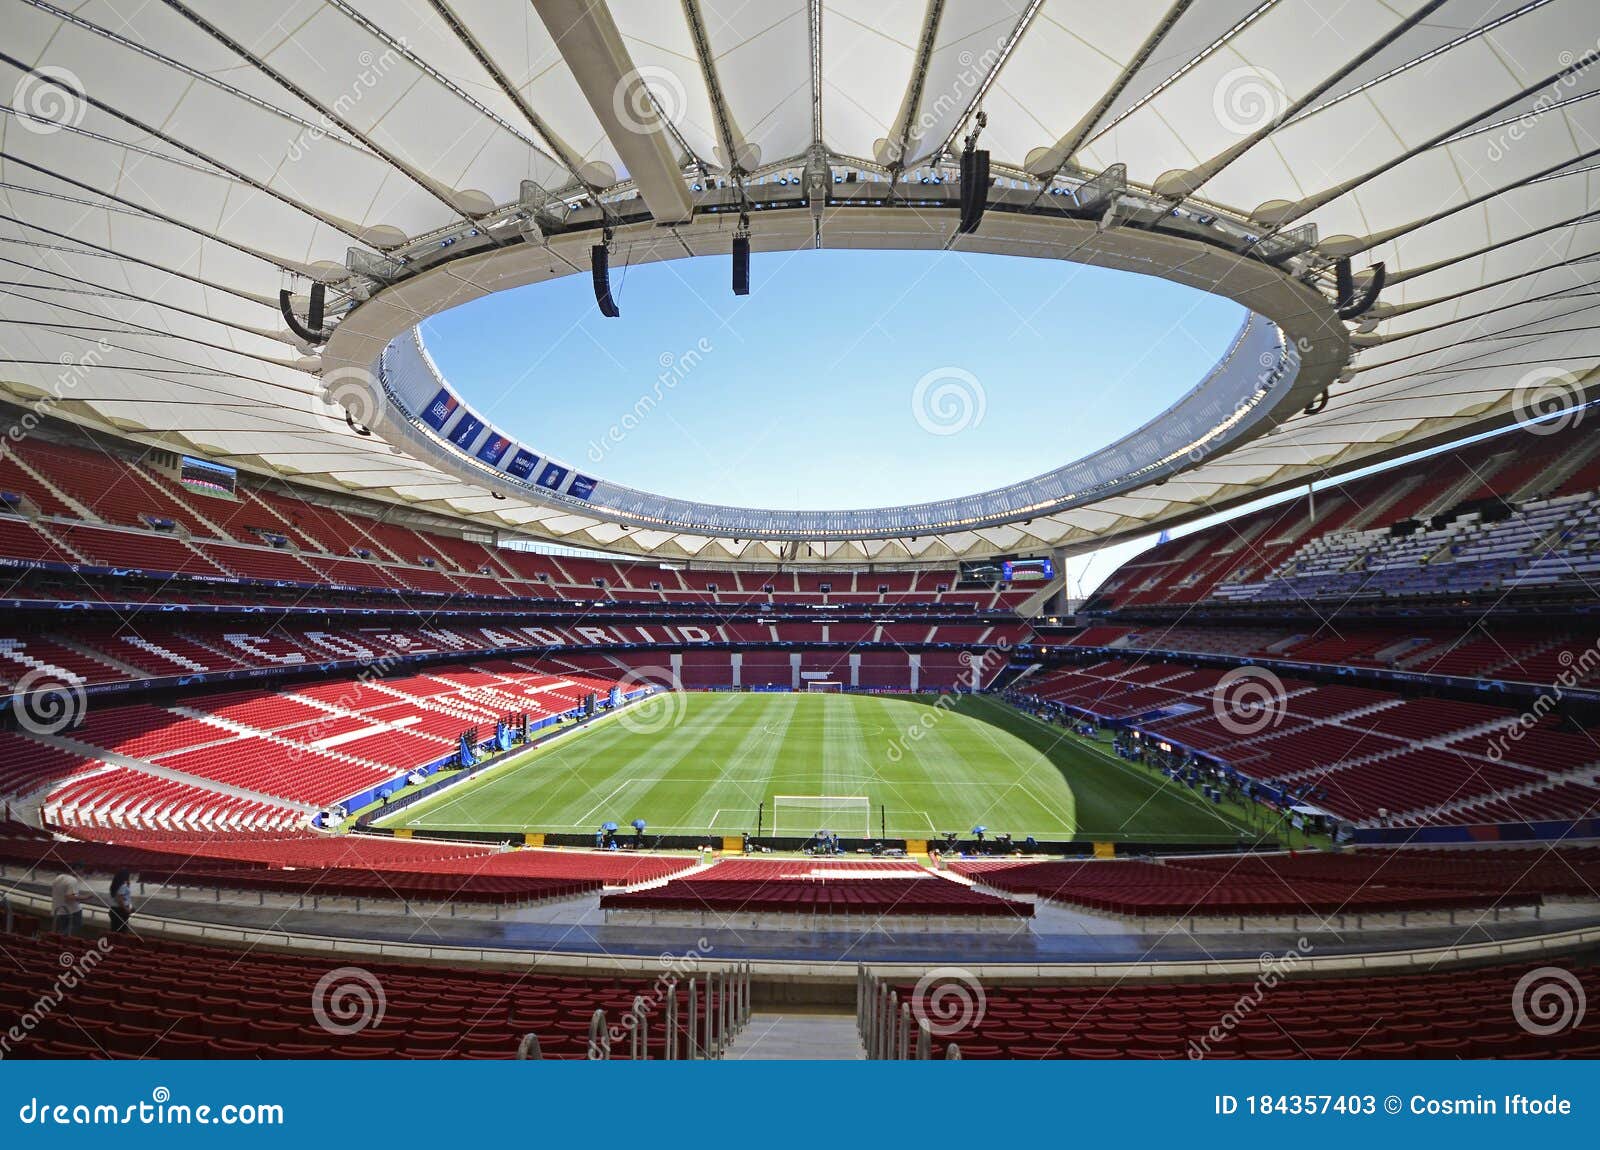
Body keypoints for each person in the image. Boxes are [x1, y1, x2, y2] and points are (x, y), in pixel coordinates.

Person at [50, 870, 89, 936]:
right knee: (72, 928)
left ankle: (59, 941)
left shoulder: (59, 877)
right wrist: (86, 897)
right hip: (72, 911)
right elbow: (69, 897)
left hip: (58, 910)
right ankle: (61, 939)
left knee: (63, 929)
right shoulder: (72, 880)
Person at [108, 869, 134, 934]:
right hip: (121, 911)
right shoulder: (123, 886)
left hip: (114, 910)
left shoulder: (116, 885)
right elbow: (119, 899)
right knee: (121, 932)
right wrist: (126, 909)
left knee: (114, 930)